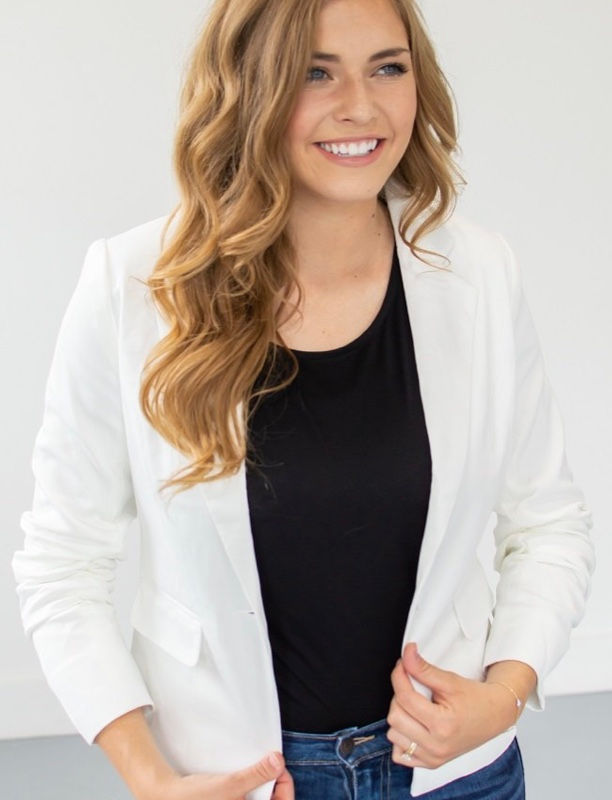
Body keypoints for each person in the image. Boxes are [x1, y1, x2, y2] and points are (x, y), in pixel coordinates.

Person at [13, 0, 595, 798]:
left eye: (388, 67)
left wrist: (500, 697)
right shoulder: (134, 286)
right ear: (248, 87)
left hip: (455, 775)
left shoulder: (480, 274)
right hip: (237, 778)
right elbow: (62, 565)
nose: (361, 106)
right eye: (315, 73)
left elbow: (547, 524)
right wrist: (149, 780)